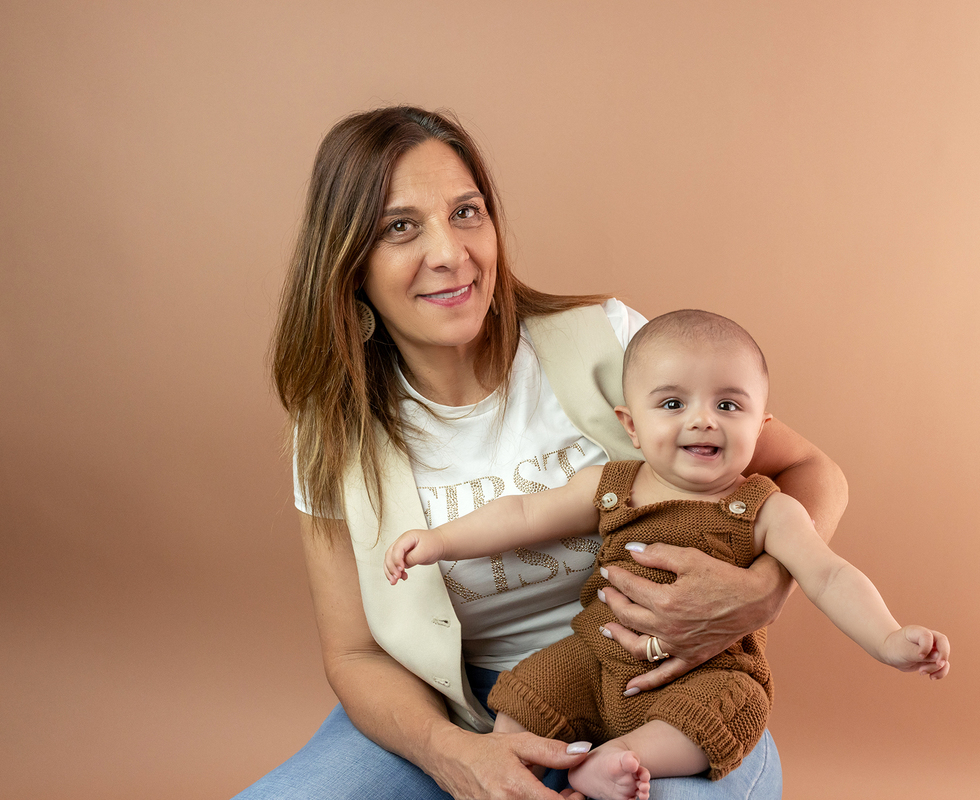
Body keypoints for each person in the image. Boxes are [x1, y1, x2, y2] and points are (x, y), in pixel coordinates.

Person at [242, 105, 849, 800]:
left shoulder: (607, 342)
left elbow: (811, 470)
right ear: (350, 264)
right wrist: (452, 754)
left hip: (662, 693)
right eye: (400, 227)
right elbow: (354, 653)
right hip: (460, 707)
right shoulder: (333, 429)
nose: (449, 252)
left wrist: (760, 594)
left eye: (466, 212)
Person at [385, 310, 950, 800]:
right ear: (631, 424)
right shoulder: (614, 484)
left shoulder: (766, 509)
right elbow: (522, 515)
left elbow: (828, 575)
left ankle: (623, 759)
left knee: (727, 711)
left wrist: (888, 638)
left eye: (729, 404)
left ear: (762, 427)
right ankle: (512, 765)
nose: (702, 419)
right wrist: (438, 541)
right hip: (597, 656)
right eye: (674, 403)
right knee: (533, 689)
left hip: (703, 672)